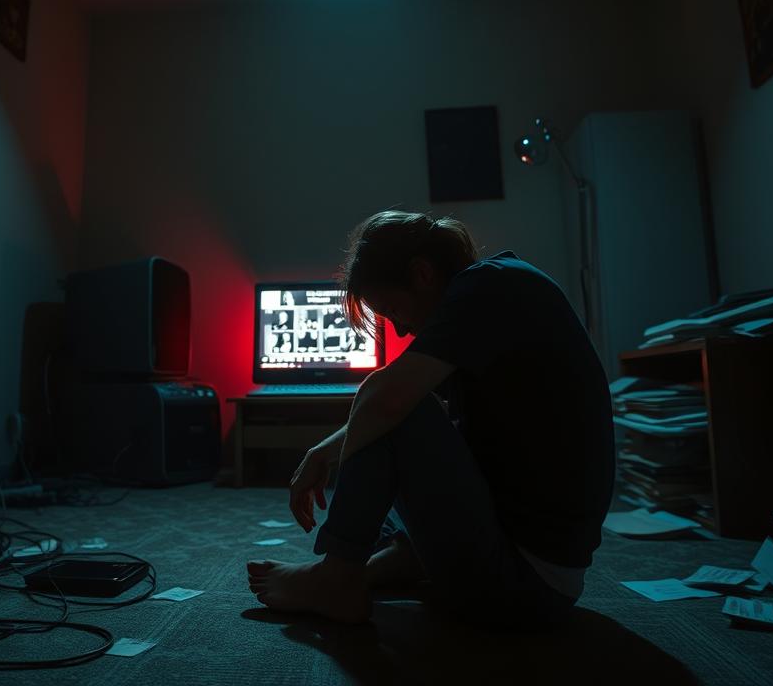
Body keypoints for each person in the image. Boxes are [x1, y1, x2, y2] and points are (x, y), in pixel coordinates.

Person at [246, 210, 613, 627]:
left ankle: (338, 576)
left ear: (421, 273)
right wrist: (324, 452)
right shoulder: (497, 293)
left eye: (394, 311)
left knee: (387, 403)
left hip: (526, 586)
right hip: (532, 568)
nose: (401, 331)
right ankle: (380, 566)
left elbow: (385, 402)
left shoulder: (486, 288)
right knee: (384, 480)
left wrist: (343, 458)